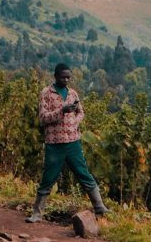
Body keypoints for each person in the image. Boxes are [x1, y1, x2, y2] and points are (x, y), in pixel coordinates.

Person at [26, 63, 110, 223]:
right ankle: (37, 213)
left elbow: (81, 112)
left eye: (68, 77)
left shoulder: (72, 93)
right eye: (63, 77)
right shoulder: (46, 93)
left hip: (73, 143)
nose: (66, 80)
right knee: (48, 178)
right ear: (55, 76)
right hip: (54, 143)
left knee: (83, 174)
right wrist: (61, 111)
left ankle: (99, 207)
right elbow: (42, 118)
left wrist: (74, 123)